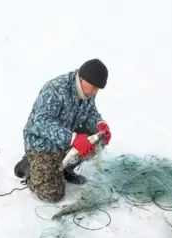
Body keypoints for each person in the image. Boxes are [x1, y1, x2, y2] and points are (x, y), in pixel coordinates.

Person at [13, 59, 112, 203]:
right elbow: (41, 122)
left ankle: (65, 169)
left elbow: (90, 112)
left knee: (97, 140)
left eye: (98, 89)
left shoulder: (87, 91)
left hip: (66, 140)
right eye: (94, 87)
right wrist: (73, 139)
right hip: (42, 144)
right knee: (52, 194)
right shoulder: (55, 89)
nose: (95, 92)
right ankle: (29, 166)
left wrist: (100, 124)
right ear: (82, 78)